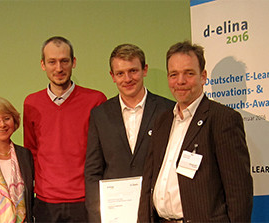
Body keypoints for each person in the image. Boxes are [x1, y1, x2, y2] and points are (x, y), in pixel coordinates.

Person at [138, 41, 253, 222]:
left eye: (189, 73)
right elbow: (149, 181)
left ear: (203, 76)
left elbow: (239, 191)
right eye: (174, 74)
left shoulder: (223, 119)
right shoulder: (162, 121)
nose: (180, 81)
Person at [84, 43, 175, 222]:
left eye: (133, 71)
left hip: (157, 215)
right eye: (120, 73)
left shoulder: (167, 110)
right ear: (112, 76)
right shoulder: (99, 114)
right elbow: (93, 171)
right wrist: (97, 216)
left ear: (145, 70)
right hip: (115, 216)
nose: (127, 79)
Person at [23, 36, 106, 222]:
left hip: (85, 200)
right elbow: (31, 151)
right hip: (46, 202)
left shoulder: (96, 100)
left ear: (73, 62)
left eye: (64, 61)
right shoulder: (31, 103)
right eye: (52, 62)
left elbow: (102, 152)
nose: (59, 68)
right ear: (43, 64)